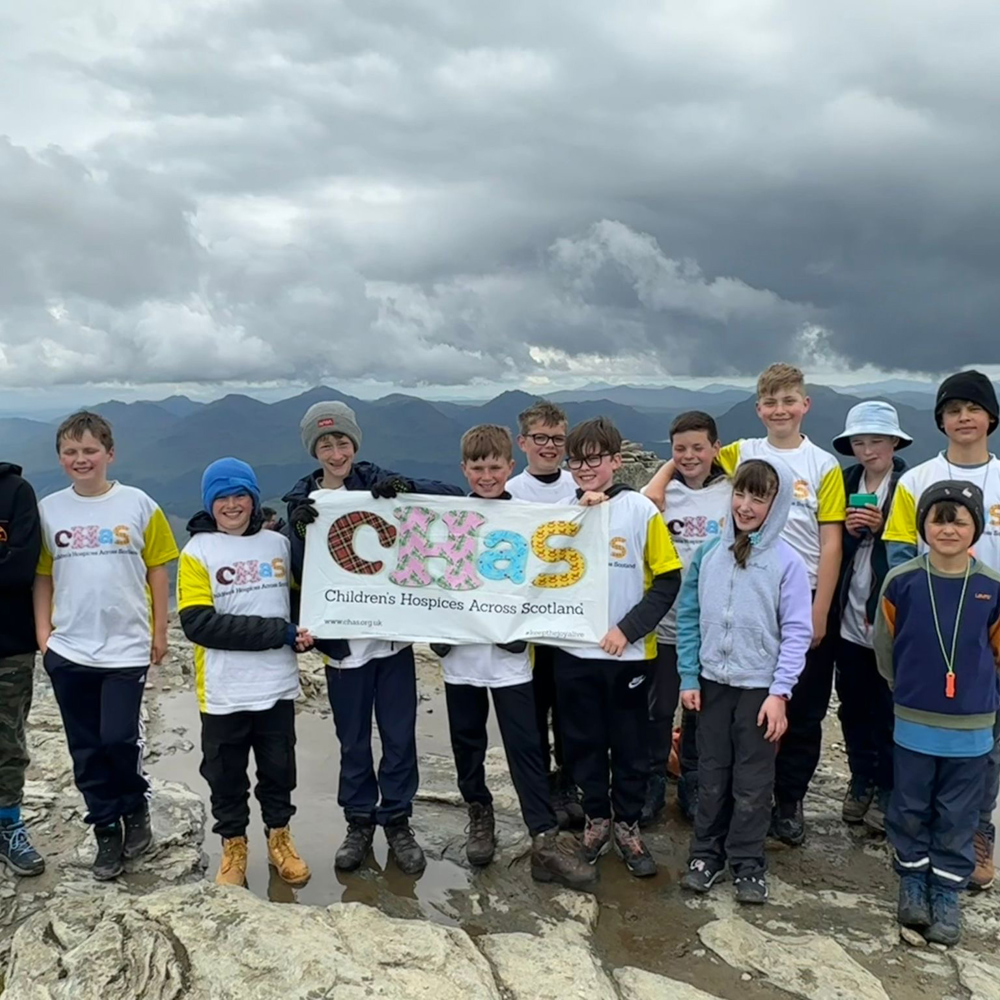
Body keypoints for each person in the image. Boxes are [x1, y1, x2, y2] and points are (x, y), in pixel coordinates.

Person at [645, 363, 845, 846]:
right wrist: (659, 480)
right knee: (732, 703)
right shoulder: (743, 452)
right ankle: (725, 789)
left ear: (805, 405)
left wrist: (820, 610)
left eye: (789, 401)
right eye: (771, 403)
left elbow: (831, 541)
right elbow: (694, 454)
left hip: (801, 591)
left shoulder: (824, 465)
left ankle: (787, 799)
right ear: (758, 409)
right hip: (740, 588)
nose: (780, 410)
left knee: (800, 706)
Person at [284, 400, 463, 875]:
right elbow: (302, 572)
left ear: (355, 443)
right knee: (354, 741)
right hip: (344, 649)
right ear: (314, 450)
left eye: (342, 441)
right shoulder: (303, 501)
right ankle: (359, 821)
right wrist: (298, 532)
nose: (336, 452)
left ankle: (398, 821)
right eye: (326, 444)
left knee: (400, 737)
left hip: (391, 643)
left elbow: (451, 500)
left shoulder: (378, 481)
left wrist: (406, 490)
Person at [431, 425, 595, 889]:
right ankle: (479, 812)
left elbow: (549, 573)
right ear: (464, 469)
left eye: (494, 466)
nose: (486, 475)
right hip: (460, 660)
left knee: (526, 747)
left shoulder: (528, 517)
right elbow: (433, 578)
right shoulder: (451, 519)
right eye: (477, 467)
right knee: (467, 743)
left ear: (510, 467)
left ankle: (543, 838)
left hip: (510, 661)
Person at [32, 411, 178, 880]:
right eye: (71, 452)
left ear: (109, 454)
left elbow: (158, 568)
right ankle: (106, 830)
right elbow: (43, 575)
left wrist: (159, 631)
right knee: (86, 748)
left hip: (126, 648)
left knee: (118, 739)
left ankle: (135, 807)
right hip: (70, 649)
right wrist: (44, 637)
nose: (81, 459)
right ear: (60, 458)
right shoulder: (49, 510)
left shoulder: (139, 505)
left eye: (90, 450)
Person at [884, 370, 1000, 890]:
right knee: (921, 748)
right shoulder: (916, 481)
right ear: (940, 420)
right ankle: (920, 840)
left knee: (986, 744)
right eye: (953, 410)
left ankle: (976, 834)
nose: (963, 418)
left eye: (973, 409)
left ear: (991, 418)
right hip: (929, 633)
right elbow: (899, 554)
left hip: (987, 627)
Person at [677, 459, 812, 904]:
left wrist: (779, 693)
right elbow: (689, 616)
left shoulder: (786, 562)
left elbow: (797, 631)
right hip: (712, 684)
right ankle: (705, 855)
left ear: (778, 503)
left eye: (759, 497)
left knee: (753, 780)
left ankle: (748, 862)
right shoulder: (709, 554)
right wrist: (688, 675)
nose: (746, 506)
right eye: (740, 493)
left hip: (759, 689)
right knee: (711, 773)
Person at [552, 417, 682, 877]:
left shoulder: (641, 511)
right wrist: (579, 514)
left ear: (615, 461)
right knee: (583, 743)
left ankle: (627, 825)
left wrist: (628, 629)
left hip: (629, 655)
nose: (584, 468)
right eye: (576, 461)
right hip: (573, 654)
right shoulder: (560, 513)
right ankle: (596, 821)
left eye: (594, 459)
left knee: (630, 745)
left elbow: (668, 579)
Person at [177, 458, 313, 889]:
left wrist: (305, 632)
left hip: (276, 686)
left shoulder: (278, 545)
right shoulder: (197, 552)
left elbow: (303, 598)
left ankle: (280, 838)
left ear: (254, 500)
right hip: (223, 689)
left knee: (279, 770)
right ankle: (233, 846)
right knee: (225, 775)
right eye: (222, 498)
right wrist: (280, 633)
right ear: (209, 503)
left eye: (240, 496)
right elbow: (200, 624)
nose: (232, 505)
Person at [875, 481, 1000, 947]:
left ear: (976, 528)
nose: (948, 530)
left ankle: (946, 889)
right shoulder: (902, 580)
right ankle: (912, 878)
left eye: (959, 521)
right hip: (914, 717)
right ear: (923, 525)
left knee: (959, 811)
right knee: (909, 804)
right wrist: (902, 688)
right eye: (938, 520)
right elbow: (885, 643)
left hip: (972, 724)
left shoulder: (991, 587)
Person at [640, 411, 731, 825]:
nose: (689, 456)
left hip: (712, 625)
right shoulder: (657, 496)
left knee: (701, 709)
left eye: (698, 447)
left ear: (716, 448)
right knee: (658, 708)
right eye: (680, 449)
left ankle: (693, 780)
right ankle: (653, 779)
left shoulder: (731, 491)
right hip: (665, 622)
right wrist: (661, 477)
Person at [831, 402, 912, 833]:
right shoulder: (845, 482)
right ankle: (861, 777)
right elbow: (828, 543)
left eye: (876, 440)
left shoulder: (909, 486)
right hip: (847, 612)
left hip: (889, 617)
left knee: (889, 707)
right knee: (853, 703)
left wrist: (883, 529)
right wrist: (847, 532)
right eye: (859, 442)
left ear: (894, 442)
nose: (867, 450)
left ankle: (887, 787)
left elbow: (915, 549)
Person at [507, 400, 583, 829]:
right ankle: (540, 787)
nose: (550, 446)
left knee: (571, 710)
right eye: (540, 438)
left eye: (557, 439)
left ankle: (568, 783)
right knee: (534, 710)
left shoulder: (580, 486)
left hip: (572, 620)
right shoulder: (509, 492)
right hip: (529, 624)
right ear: (523, 443)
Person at [0, 463, 45, 877]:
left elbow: (19, 568)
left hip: (8, 644)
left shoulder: (16, 491)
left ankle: (8, 825)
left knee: (8, 742)